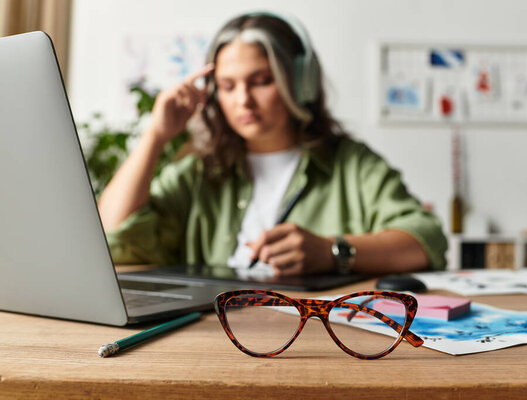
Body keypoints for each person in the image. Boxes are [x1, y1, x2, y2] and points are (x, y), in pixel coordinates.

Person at [98, 11, 447, 276]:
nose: (243, 100)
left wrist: (331, 251)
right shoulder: (198, 174)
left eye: (261, 81)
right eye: (228, 86)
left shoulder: (350, 165)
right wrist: (155, 135)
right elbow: (111, 241)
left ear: (301, 82)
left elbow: (426, 240)